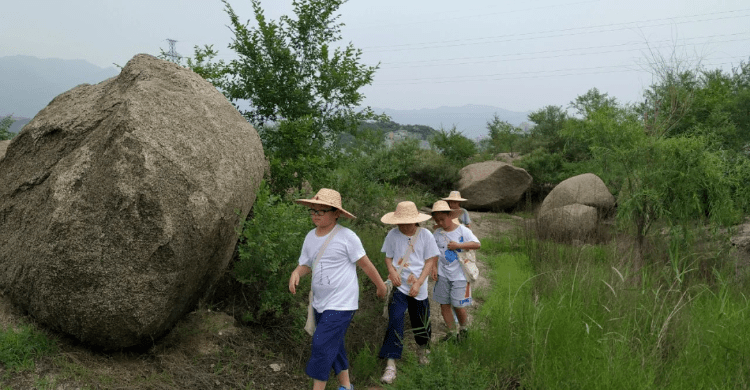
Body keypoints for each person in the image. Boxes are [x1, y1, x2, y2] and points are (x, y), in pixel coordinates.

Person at [289, 188, 387, 390]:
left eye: (321, 211)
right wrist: (296, 273)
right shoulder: (310, 236)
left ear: (336, 213)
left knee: (321, 343)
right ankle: (346, 386)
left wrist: (380, 286)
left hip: (342, 302)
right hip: (319, 301)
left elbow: (366, 264)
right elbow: (307, 263)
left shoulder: (347, 237)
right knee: (334, 344)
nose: (315, 215)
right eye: (313, 211)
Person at [377, 201, 440, 384]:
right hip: (399, 285)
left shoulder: (426, 235)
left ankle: (423, 352)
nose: (404, 225)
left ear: (415, 220)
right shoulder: (392, 235)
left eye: (408, 221)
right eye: (400, 222)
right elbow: (388, 258)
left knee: (421, 320)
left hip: (418, 286)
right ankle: (391, 364)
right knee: (395, 318)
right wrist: (392, 271)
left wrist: (420, 283)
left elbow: (429, 261)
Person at [430, 200, 481, 342]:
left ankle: (464, 330)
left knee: (458, 304)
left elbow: (477, 244)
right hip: (443, 274)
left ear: (450, 216)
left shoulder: (462, 230)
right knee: (444, 304)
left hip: (460, 275)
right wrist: (434, 267)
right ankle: (452, 333)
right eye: (437, 220)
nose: (440, 223)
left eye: (443, 219)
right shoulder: (437, 233)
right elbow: (434, 252)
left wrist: (459, 245)